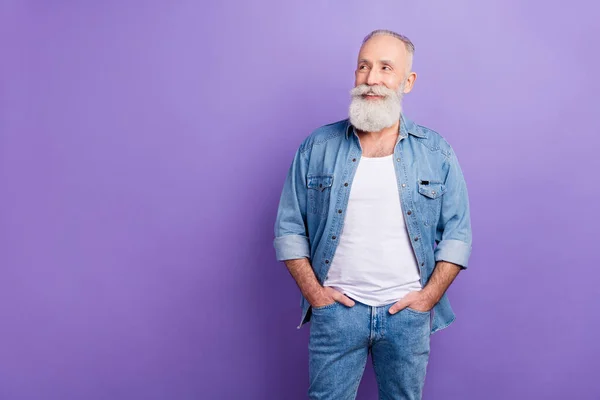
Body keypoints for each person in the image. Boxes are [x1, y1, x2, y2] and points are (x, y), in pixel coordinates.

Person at [273, 29, 473, 400]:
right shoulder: (317, 146)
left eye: (385, 67)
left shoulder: (436, 152)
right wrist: (315, 294)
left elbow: (458, 237)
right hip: (336, 313)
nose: (371, 79)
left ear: (407, 82)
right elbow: (288, 229)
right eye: (363, 66)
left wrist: (427, 298)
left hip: (406, 315)